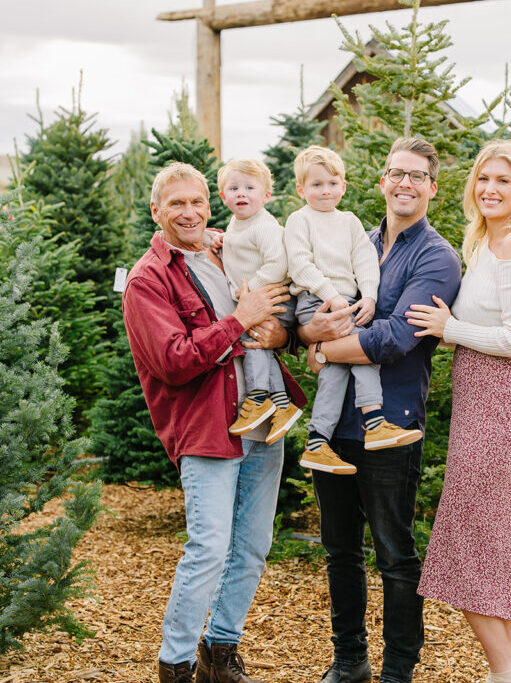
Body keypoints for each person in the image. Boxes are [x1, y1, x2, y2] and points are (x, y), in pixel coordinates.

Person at [122, 161, 306, 683]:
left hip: (261, 416)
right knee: (208, 546)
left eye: (197, 201)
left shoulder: (229, 248)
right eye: (176, 203)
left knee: (252, 545)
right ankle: (175, 663)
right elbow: (174, 360)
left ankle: (219, 653)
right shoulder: (147, 280)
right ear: (156, 211)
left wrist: (281, 336)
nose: (189, 212)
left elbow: (276, 318)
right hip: (207, 427)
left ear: (211, 203)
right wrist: (239, 319)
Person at [301, 138, 462, 683]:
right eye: (396, 173)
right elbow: (310, 305)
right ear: (381, 181)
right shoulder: (357, 240)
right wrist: (311, 335)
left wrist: (323, 348)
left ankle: (397, 670)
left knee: (394, 552)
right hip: (334, 427)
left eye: (417, 176)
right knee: (339, 550)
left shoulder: (437, 256)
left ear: (432, 188)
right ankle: (349, 660)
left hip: (391, 425)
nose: (405, 184)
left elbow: (397, 337)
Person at [406, 139, 511, 683]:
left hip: (504, 407)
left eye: (503, 181)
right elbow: (488, 325)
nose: (490, 189)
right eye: (484, 179)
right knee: (492, 548)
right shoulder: (487, 241)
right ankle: (507, 674)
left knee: (466, 546)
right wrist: (454, 326)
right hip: (481, 404)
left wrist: (451, 329)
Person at [286, 145, 423, 475]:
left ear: (343, 186)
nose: (325, 191)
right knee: (364, 347)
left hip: (348, 300)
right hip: (315, 300)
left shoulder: (348, 222)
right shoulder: (299, 220)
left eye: (332, 183)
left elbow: (365, 261)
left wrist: (371, 297)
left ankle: (318, 441)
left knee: (336, 369)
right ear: (301, 189)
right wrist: (331, 296)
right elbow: (301, 266)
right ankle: (374, 421)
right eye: (316, 185)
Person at [216, 158, 302, 444]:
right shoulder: (235, 224)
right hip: (259, 298)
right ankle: (281, 404)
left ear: (266, 196)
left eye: (250, 187)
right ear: (222, 195)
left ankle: (257, 398)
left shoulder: (264, 226)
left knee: (251, 338)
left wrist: (249, 290)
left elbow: (278, 265)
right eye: (234, 187)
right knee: (258, 341)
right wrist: (220, 242)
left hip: (277, 298)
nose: (241, 193)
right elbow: (236, 246)